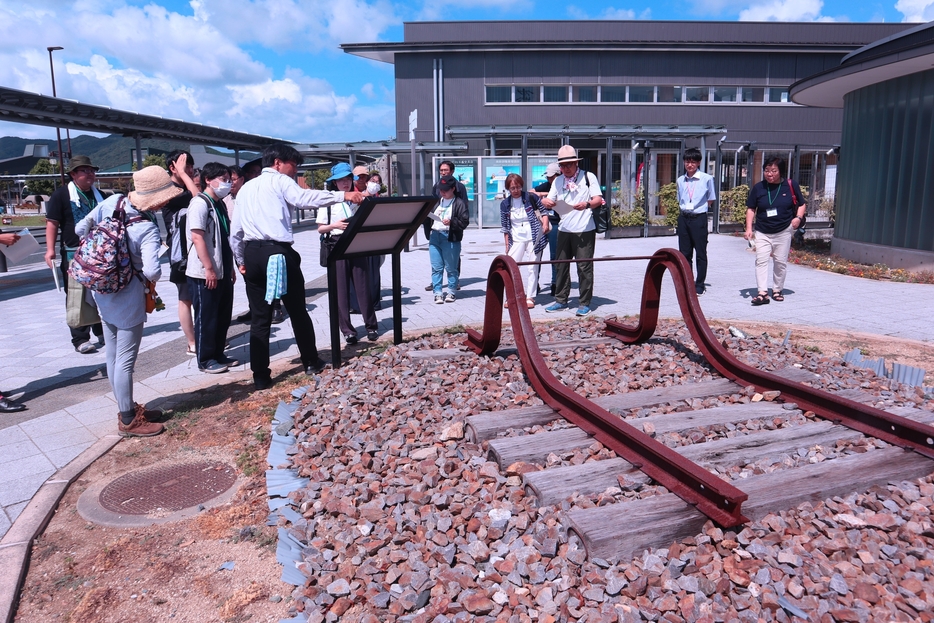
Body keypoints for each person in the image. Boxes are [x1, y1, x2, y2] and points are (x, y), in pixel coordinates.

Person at [230, 144, 365, 390]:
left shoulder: (245, 189)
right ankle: (311, 361)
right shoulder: (280, 181)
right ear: (278, 163)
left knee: (260, 317)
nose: (295, 171)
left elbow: (235, 231)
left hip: (252, 254)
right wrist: (342, 195)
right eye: (294, 165)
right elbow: (304, 199)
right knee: (297, 310)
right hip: (277, 252)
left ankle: (260, 375)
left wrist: (240, 260)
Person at [75, 166, 178, 437]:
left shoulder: (112, 201)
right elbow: (154, 271)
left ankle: (126, 406)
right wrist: (137, 273)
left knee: (112, 355)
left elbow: (79, 228)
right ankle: (129, 419)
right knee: (126, 360)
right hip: (129, 295)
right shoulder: (146, 228)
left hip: (101, 289)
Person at [44, 155, 105, 354]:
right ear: (73, 174)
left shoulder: (100, 195)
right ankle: (80, 338)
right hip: (73, 253)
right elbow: (52, 223)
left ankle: (102, 331)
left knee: (100, 291)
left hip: (100, 253)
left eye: (91, 170)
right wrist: (50, 250)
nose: (90, 174)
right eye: (84, 170)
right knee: (77, 295)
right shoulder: (61, 195)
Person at [317, 163, 380, 344]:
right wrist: (334, 226)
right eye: (340, 180)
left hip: (356, 242)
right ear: (334, 183)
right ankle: (347, 330)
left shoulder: (358, 198)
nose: (345, 183)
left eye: (347, 179)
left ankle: (371, 326)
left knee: (363, 286)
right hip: (335, 243)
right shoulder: (327, 201)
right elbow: (320, 229)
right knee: (341, 290)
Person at [186, 162, 237, 374]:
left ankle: (218, 353)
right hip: (204, 271)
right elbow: (197, 237)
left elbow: (224, 237)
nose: (227, 184)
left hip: (223, 268)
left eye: (229, 180)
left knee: (222, 314)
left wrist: (230, 266)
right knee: (206, 316)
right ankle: (205, 359)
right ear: (209, 179)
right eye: (223, 179)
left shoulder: (220, 204)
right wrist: (208, 268)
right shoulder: (200, 203)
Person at [542, 145, 603, 317]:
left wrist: (587, 204)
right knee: (560, 265)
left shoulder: (588, 177)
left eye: (569, 164)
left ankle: (584, 302)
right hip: (564, 227)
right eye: (563, 165)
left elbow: (598, 199)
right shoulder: (558, 181)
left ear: (576, 163)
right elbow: (550, 199)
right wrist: (547, 202)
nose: (566, 168)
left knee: (584, 266)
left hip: (585, 228)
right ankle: (561, 299)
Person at [745, 156, 807, 306]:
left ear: (781, 171)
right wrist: (748, 228)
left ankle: (777, 289)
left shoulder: (790, 185)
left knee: (780, 262)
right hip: (762, 231)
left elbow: (802, 204)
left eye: (773, 171)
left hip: (783, 230)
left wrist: (798, 218)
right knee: (761, 260)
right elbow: (751, 208)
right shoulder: (759, 187)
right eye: (767, 170)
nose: (769, 174)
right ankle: (762, 293)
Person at [161, 150, 200, 355]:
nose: (190, 170)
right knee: (185, 297)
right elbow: (197, 198)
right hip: (180, 252)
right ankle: (192, 342)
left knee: (199, 294)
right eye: (186, 166)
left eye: (191, 166)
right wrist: (185, 175)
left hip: (195, 247)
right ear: (172, 168)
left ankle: (203, 336)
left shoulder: (185, 185)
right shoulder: (169, 190)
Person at [500, 173, 549, 309]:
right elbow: (505, 226)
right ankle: (511, 296)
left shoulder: (530, 197)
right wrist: (506, 245)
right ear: (508, 189)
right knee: (511, 267)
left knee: (532, 267)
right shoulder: (505, 204)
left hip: (534, 237)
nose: (515, 191)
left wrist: (545, 225)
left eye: (518, 187)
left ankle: (530, 296)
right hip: (516, 239)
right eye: (512, 188)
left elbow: (544, 212)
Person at [676, 148, 716, 296]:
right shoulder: (681, 180)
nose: (690, 165)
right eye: (687, 161)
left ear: (698, 162)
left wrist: (700, 208)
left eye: (693, 162)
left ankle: (700, 284)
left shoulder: (707, 179)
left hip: (699, 218)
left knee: (700, 252)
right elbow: (679, 198)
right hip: (684, 218)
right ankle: (687, 282)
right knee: (685, 253)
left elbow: (711, 198)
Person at [428, 175, 469, 304]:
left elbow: (464, 221)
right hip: (435, 236)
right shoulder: (437, 201)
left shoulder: (459, 203)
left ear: (453, 189)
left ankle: (451, 291)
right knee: (436, 267)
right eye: (441, 189)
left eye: (445, 189)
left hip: (449, 237)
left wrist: (452, 222)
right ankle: (438, 293)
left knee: (451, 268)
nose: (442, 192)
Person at [533, 162, 561, 295]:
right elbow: (531, 193)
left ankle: (555, 283)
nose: (549, 179)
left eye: (552, 176)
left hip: (556, 224)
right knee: (536, 254)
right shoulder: (546, 185)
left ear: (558, 174)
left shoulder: (563, 186)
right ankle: (534, 283)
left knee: (554, 255)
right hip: (541, 223)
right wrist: (542, 195)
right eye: (548, 177)